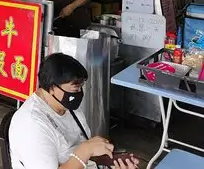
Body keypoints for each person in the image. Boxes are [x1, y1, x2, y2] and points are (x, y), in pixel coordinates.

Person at [9, 53, 139, 169]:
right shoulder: (32, 125)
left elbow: (85, 152)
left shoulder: (65, 106)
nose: (79, 94)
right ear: (52, 87)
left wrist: (112, 161)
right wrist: (85, 150)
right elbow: (83, 151)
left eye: (80, 88)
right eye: (74, 89)